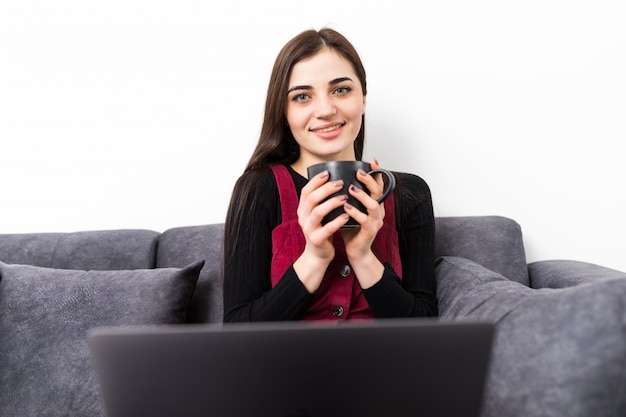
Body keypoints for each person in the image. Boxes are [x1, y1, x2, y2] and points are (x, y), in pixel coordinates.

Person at [222, 27, 437, 322]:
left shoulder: (409, 193)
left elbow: (425, 329)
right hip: (290, 367)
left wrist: (362, 256)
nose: (325, 110)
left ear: (363, 98)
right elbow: (237, 333)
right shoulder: (259, 188)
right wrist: (314, 258)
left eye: (341, 89)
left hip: (385, 366)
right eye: (302, 97)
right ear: (283, 111)